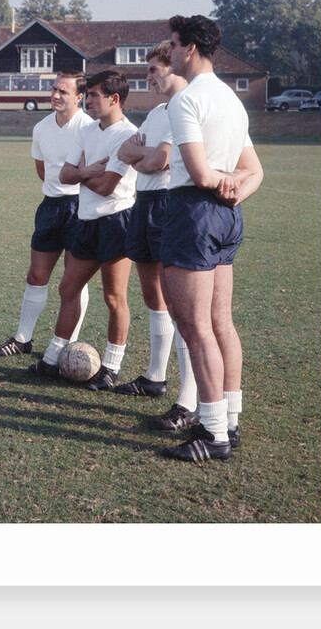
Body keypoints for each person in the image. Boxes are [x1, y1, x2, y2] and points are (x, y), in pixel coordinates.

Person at [159, 15, 263, 462]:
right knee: (220, 322)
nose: (169, 52)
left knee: (196, 326)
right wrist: (235, 188)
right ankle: (229, 421)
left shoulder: (187, 100)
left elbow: (200, 174)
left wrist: (221, 183)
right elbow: (255, 171)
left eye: (173, 44)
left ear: (190, 48)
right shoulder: (233, 101)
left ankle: (214, 434)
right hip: (227, 215)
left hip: (194, 213)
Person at [28, 70, 137, 389]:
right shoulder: (87, 130)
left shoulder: (128, 134)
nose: (88, 100)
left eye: (94, 95)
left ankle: (111, 367)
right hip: (86, 221)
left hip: (116, 221)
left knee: (114, 297)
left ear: (114, 99)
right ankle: (52, 359)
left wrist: (82, 173)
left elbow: (106, 187)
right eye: (87, 95)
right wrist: (89, 171)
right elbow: (63, 175)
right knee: (68, 288)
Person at [113, 42, 199, 431]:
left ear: (175, 67)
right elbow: (124, 152)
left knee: (180, 304)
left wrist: (144, 155)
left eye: (154, 69)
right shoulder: (155, 112)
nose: (148, 76)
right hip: (143, 202)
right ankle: (155, 377)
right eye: (147, 69)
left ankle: (188, 399)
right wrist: (142, 155)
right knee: (154, 296)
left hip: (168, 203)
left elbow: (160, 160)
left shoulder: (186, 106)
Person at [0, 70, 93, 359]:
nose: (55, 95)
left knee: (74, 280)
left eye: (63, 91)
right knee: (36, 275)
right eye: (54, 89)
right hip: (50, 206)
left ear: (79, 97)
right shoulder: (41, 127)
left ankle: (69, 344)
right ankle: (22, 339)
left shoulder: (89, 128)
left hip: (80, 207)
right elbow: (43, 171)